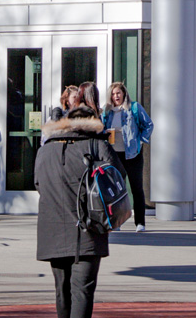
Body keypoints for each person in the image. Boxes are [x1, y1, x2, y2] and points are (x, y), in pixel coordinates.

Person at [36, 104, 115, 318]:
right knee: (82, 291)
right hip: (89, 228)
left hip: (52, 229)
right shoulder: (98, 146)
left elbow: (38, 184)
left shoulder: (44, 150)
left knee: (62, 291)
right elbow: (116, 184)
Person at [104, 81, 152, 233]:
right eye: (113, 94)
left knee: (136, 188)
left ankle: (140, 222)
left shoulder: (134, 108)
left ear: (124, 93)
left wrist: (141, 141)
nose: (116, 96)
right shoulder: (107, 111)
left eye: (118, 93)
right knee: (117, 190)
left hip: (132, 154)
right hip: (114, 155)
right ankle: (117, 222)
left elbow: (148, 125)